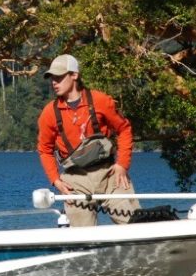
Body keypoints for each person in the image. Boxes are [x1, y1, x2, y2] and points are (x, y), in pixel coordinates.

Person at [36, 54, 139, 226]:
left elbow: (124, 129)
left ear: (74, 75)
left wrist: (122, 164)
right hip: (75, 181)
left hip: (109, 175)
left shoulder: (100, 101)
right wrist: (56, 181)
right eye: (52, 78)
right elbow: (44, 150)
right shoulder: (49, 113)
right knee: (83, 239)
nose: (54, 82)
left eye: (59, 77)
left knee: (137, 226)